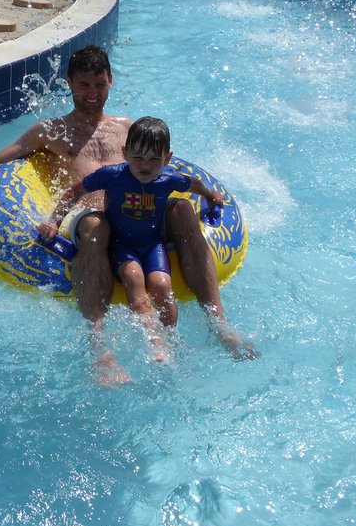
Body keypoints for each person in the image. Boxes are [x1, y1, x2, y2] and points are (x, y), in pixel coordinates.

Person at [0, 45, 257, 384]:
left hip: (141, 212)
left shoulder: (126, 127)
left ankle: (220, 325)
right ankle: (101, 350)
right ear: (69, 84)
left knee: (180, 209)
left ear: (111, 82)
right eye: (84, 84)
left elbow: (164, 169)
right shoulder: (51, 131)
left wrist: (207, 196)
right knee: (94, 223)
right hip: (89, 213)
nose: (92, 93)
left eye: (99, 84)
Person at [37, 116, 227, 364]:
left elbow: (193, 184)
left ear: (167, 159)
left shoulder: (167, 178)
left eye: (154, 159)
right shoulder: (112, 175)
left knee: (161, 284)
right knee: (134, 279)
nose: (145, 165)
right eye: (138, 157)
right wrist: (54, 221)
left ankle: (170, 338)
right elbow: (76, 190)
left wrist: (212, 197)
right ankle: (155, 343)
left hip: (153, 245)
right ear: (125, 154)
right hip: (122, 245)